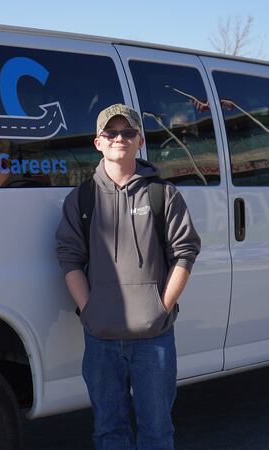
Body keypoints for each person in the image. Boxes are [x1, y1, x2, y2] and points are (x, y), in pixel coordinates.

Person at [55, 104, 201, 450]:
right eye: (111, 133)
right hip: (101, 339)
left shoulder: (162, 194)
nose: (119, 138)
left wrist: (161, 308)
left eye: (128, 132)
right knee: (109, 432)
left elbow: (185, 252)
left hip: (154, 340)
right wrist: (89, 309)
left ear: (140, 141)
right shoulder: (82, 198)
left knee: (156, 433)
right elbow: (69, 257)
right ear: (98, 143)